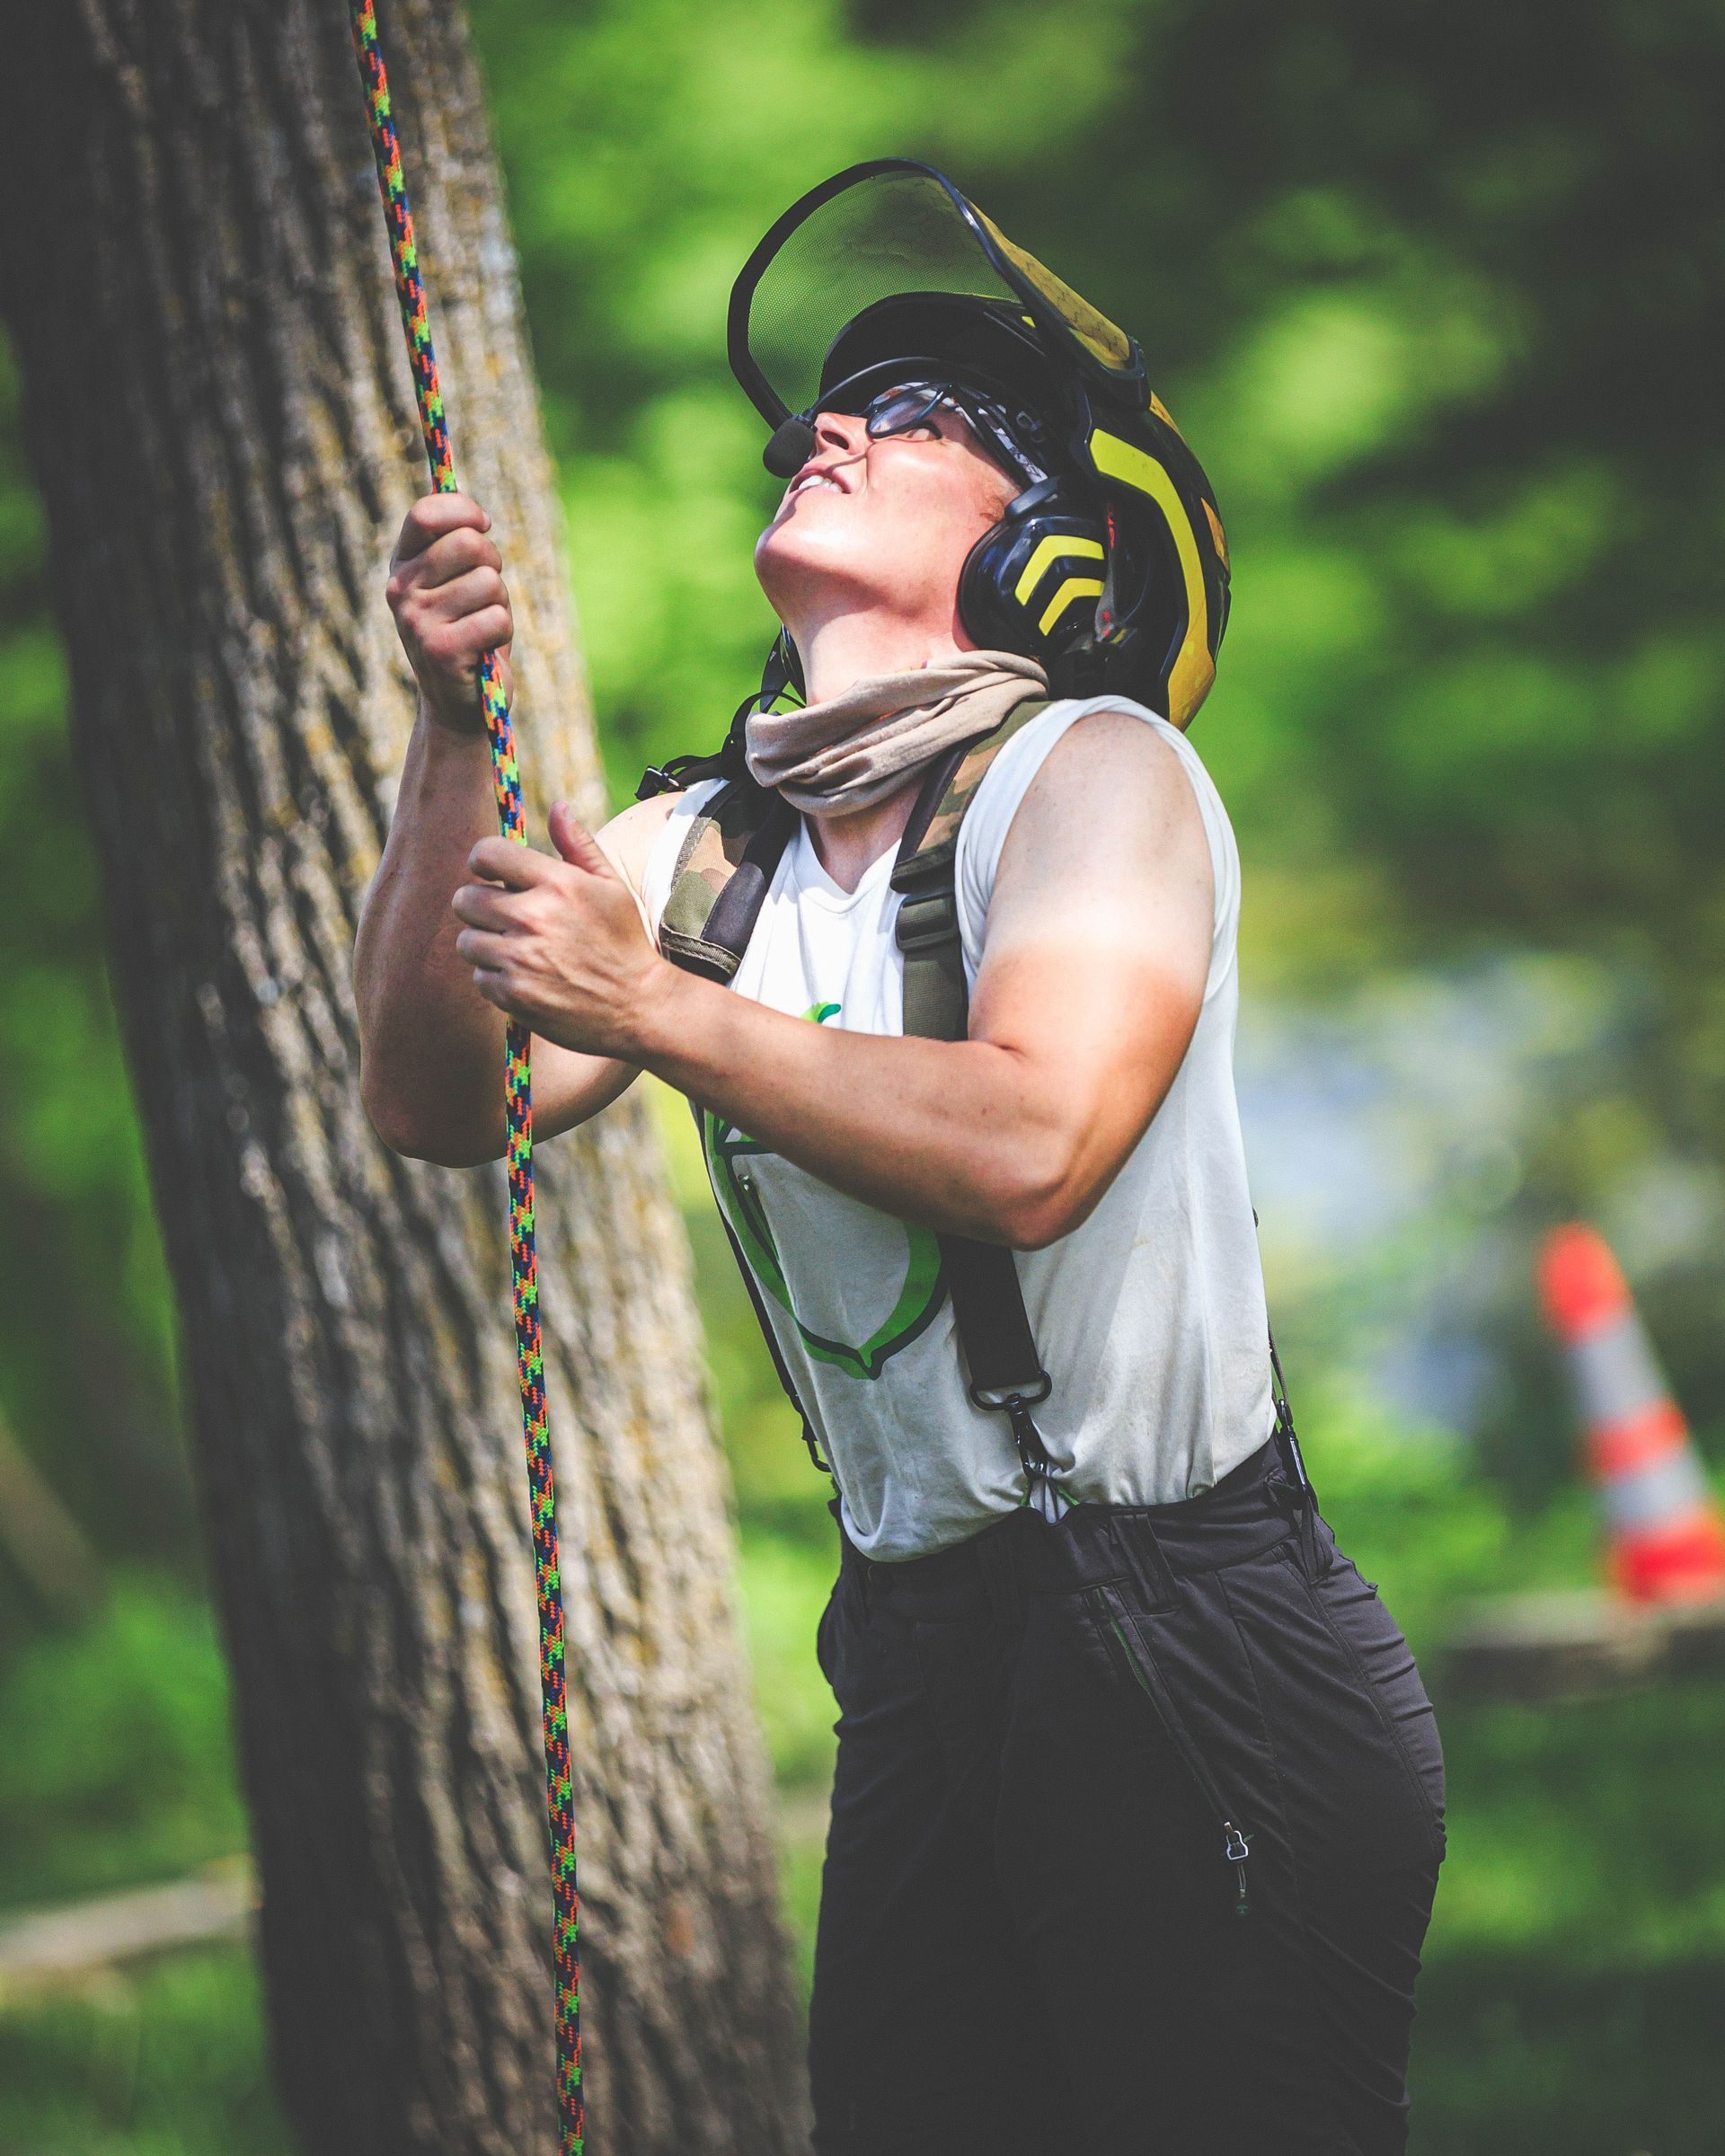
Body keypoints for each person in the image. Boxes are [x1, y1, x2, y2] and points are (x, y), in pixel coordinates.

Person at [355, 161, 1446, 2156]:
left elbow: (1034, 1139)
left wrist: (660, 1010)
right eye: (833, 405)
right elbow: (443, 1101)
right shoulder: (715, 844)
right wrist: (450, 731)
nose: (830, 422)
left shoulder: (1099, 776)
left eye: (928, 412)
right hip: (927, 1662)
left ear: (1056, 556)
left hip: (1193, 1638)